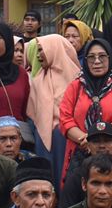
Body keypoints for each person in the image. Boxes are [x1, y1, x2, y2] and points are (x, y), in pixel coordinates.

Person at [59, 38, 112, 174]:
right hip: (80, 152)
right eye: (91, 57)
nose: (97, 62)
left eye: (102, 56)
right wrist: (87, 140)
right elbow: (65, 119)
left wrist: (99, 139)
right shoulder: (76, 86)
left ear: (110, 58)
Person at [26, 32, 80, 174]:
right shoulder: (38, 80)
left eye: (41, 50)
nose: (38, 55)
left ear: (54, 50)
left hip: (71, 139)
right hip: (43, 141)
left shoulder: (77, 80)